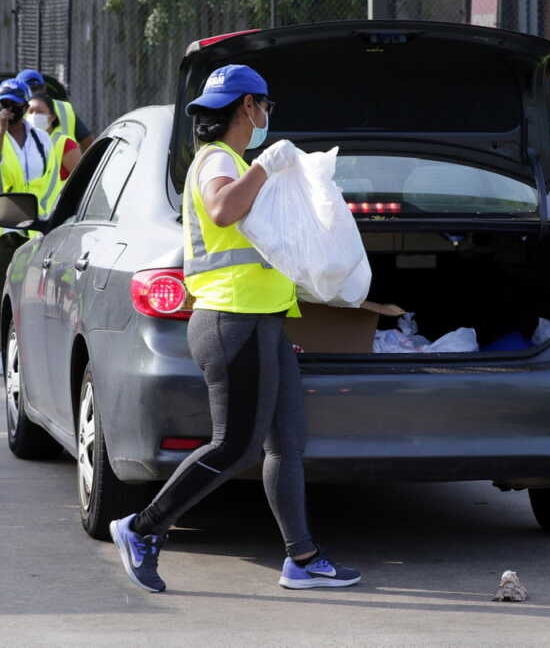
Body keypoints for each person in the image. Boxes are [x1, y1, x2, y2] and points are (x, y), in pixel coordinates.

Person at [108, 65, 362, 593]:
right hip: (231, 322)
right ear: (249, 106)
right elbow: (223, 210)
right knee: (235, 448)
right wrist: (267, 167)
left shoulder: (237, 162)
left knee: (286, 444)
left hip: (261, 322)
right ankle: (141, 528)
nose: (267, 116)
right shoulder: (219, 160)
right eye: (265, 106)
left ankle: (303, 557)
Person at [0, 78, 64, 377]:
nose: (9, 109)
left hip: (32, 225)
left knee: (32, 292)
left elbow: (48, 176)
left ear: (24, 106)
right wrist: (0, 132)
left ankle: (26, 350)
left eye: (14, 104)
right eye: (4, 104)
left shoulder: (40, 138)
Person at [26, 93, 82, 218]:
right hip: (29, 217)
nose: (34, 116)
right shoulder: (23, 145)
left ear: (51, 117)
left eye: (39, 112)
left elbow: (82, 182)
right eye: (30, 112)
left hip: (56, 216)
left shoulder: (64, 143)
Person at [16, 69, 94, 152]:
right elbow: (87, 141)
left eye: (36, 88)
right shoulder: (63, 108)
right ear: (44, 88)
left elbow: (87, 141)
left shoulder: (16, 111)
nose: (35, 93)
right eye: (32, 89)